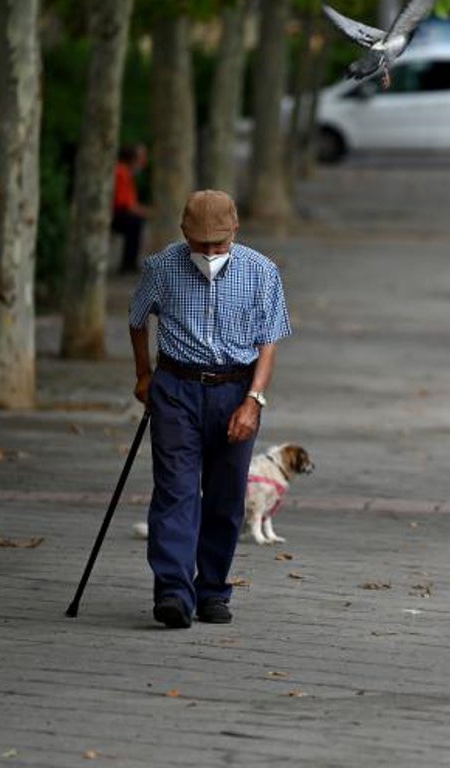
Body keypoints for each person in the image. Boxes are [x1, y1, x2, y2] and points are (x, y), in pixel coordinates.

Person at [128, 189, 292, 629]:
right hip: (176, 388)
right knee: (175, 491)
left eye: (218, 244)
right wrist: (143, 374)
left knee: (225, 497)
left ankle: (212, 590)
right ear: (184, 233)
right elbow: (137, 318)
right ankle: (173, 591)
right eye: (200, 244)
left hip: (235, 390)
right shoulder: (161, 266)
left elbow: (268, 342)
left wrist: (254, 400)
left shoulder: (261, 271)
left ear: (235, 230)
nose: (210, 253)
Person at [112, 144, 149, 273]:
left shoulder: (127, 173)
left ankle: (130, 262)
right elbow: (124, 203)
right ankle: (128, 264)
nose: (144, 162)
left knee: (136, 222)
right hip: (116, 213)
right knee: (135, 223)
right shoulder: (122, 172)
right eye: (142, 158)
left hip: (119, 212)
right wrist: (144, 212)